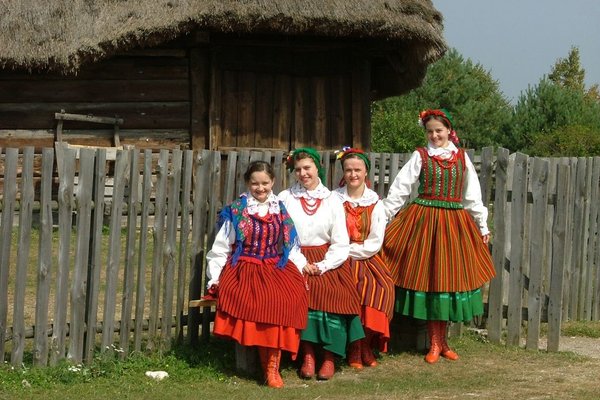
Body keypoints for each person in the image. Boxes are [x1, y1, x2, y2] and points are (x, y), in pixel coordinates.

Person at [381, 109, 496, 364]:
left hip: (454, 223)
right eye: (430, 131)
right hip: (424, 222)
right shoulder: (420, 156)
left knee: (449, 280)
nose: (434, 135)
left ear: (448, 131)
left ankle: (442, 342)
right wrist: (383, 218)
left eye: (439, 131)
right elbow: (401, 189)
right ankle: (434, 343)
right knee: (432, 279)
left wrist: (482, 224)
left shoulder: (462, 158)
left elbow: (472, 196)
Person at [206, 160, 308, 388]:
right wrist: (215, 278)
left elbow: (290, 245)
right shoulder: (238, 210)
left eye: (265, 183)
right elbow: (221, 247)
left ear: (272, 182)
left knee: (288, 297)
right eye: (255, 184)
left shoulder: (279, 208)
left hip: (274, 266)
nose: (260, 188)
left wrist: (301, 267)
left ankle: (273, 367)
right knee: (264, 300)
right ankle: (269, 370)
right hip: (245, 267)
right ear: (247, 183)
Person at [278, 147, 364, 380]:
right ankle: (308, 355)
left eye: (307, 168)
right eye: (298, 170)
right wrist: (301, 261)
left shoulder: (332, 199)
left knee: (335, 292)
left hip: (328, 258)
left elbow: (341, 240)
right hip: (295, 257)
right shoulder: (285, 198)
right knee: (300, 292)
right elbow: (284, 236)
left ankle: (329, 356)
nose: (303, 173)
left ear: (318, 168)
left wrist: (325, 265)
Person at [333, 147, 395, 369]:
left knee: (381, 288)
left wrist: (350, 251)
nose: (353, 175)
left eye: (357, 169)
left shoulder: (376, 202)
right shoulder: (334, 199)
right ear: (343, 172)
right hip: (338, 258)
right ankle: (354, 349)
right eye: (348, 170)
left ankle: (365, 344)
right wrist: (341, 252)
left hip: (368, 257)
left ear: (366, 172)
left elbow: (375, 242)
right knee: (351, 289)